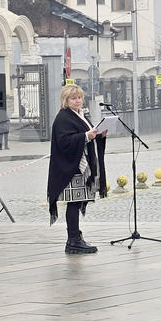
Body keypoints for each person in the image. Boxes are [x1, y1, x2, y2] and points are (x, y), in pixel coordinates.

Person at [47, 84, 107, 255]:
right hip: (71, 168)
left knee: (77, 201)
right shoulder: (63, 118)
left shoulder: (79, 115)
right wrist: (86, 136)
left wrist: (99, 135)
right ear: (66, 100)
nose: (78, 101)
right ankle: (73, 240)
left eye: (79, 97)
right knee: (73, 203)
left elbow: (86, 135)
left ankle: (75, 238)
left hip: (78, 167)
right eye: (73, 98)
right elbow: (64, 141)